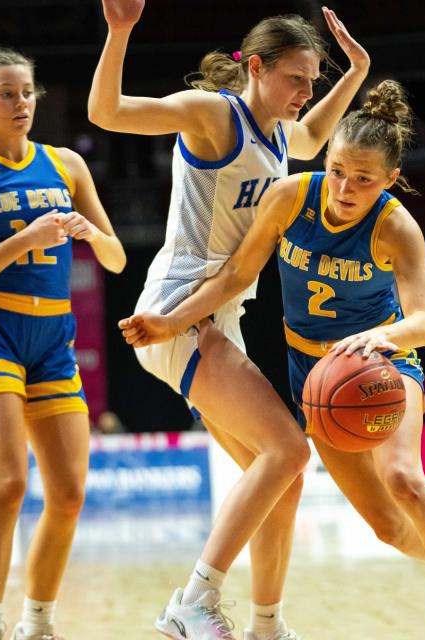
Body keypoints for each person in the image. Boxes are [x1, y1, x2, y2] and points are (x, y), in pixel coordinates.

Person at [121, 80, 425, 640]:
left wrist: (383, 337)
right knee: (387, 527)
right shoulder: (290, 196)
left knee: (404, 478)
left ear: (388, 181)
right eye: (337, 170)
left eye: (363, 179)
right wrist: (170, 320)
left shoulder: (395, 226)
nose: (344, 187)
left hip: (382, 365)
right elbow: (237, 275)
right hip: (316, 381)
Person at [90, 3, 371, 639]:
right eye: (296, 78)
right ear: (255, 68)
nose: (306, 92)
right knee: (289, 448)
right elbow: (107, 114)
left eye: (312, 81)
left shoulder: (279, 134)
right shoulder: (216, 115)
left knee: (283, 477)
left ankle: (266, 627)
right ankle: (193, 600)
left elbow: (315, 137)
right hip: (177, 307)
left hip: (221, 315)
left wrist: (355, 71)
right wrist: (120, 31)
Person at [0, 46, 126, 640]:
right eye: (7, 94)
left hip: (52, 344)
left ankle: (36, 623)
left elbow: (117, 261)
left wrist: (92, 232)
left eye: (27, 91)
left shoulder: (67, 164)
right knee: (11, 481)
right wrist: (25, 240)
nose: (21, 103)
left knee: (68, 494)